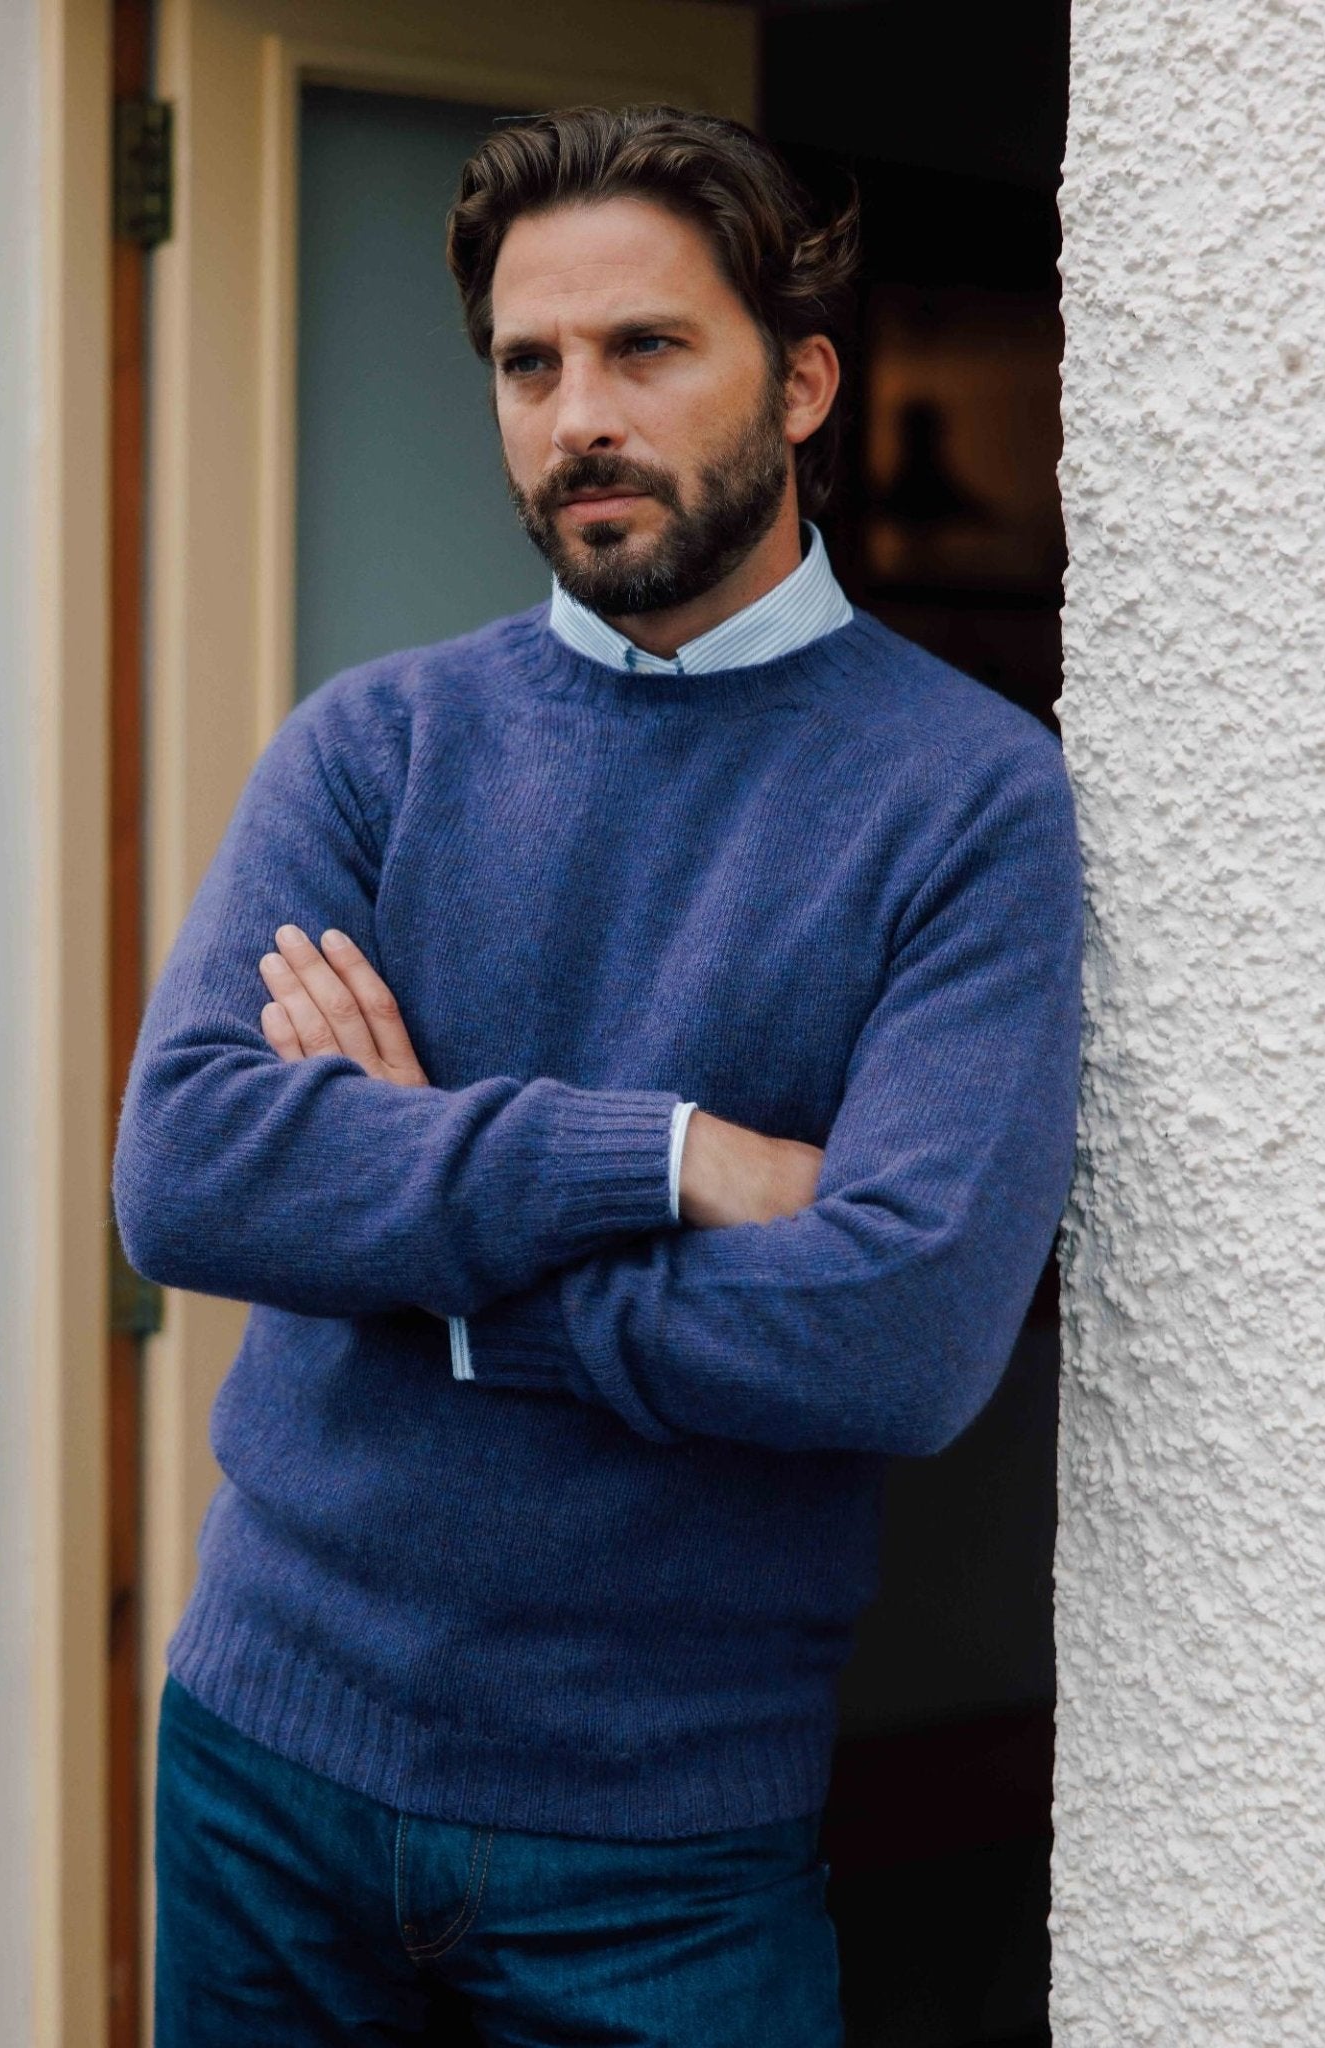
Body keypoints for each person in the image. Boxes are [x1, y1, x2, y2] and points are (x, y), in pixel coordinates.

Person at [113, 102, 1084, 2048]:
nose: (580, 419)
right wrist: (667, 1155)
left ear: (802, 382)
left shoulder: (969, 801)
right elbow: (193, 1172)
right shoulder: (375, 745)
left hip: (661, 1855)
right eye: (530, 364)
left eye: (645, 349)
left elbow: (898, 1332)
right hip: (263, 1768)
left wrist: (423, 1233)